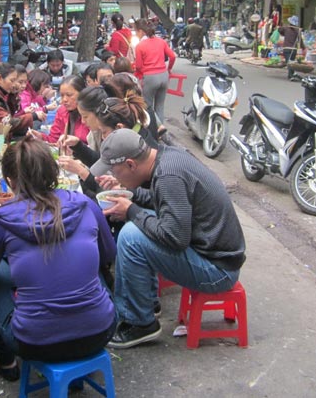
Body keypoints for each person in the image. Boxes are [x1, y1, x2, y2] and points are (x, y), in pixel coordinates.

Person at [0, 137, 117, 380]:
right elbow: (109, 254)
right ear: (54, 171)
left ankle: (5, 361)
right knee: (92, 262)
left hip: (34, 343)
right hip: (100, 331)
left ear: (9, 181)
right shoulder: (86, 205)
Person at [91, 129, 246, 348]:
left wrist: (132, 211)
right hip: (209, 251)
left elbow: (175, 238)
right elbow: (163, 202)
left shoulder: (167, 176)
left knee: (131, 236)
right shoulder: (167, 157)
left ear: (131, 164)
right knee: (136, 225)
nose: (115, 177)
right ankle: (143, 305)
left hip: (218, 270)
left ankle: (141, 323)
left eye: (116, 172)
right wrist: (128, 194)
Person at [0, 62, 40, 137]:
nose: (14, 84)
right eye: (12, 80)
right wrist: (33, 116)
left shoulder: (0, 92)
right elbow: (6, 123)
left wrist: (13, 94)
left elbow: (11, 113)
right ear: (0, 78)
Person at [134, 19, 176, 124]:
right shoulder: (161, 41)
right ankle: (161, 130)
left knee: (148, 106)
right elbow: (172, 56)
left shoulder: (140, 46)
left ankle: (155, 129)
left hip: (150, 77)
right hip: (164, 76)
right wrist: (169, 69)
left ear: (142, 31)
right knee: (160, 106)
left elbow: (138, 66)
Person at [31, 75, 89, 144]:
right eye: (62, 95)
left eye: (69, 95)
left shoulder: (90, 113)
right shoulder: (62, 111)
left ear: (82, 93)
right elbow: (54, 139)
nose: (64, 100)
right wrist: (40, 137)